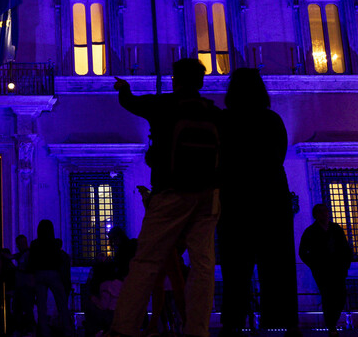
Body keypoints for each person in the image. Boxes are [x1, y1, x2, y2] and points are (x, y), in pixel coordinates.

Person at [110, 58, 222, 337]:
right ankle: (197, 330)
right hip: (208, 195)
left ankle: (123, 329)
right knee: (204, 266)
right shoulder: (213, 112)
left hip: (170, 191)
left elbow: (131, 103)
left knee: (146, 261)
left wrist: (123, 89)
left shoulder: (163, 105)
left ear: (175, 79)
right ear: (200, 81)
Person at [218, 68, 300, 335]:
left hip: (235, 200)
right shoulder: (272, 120)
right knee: (278, 264)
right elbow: (279, 156)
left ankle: (233, 322)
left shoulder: (224, 121)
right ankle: (286, 321)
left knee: (235, 267)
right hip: (271, 197)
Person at [298, 204, 352, 336]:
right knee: (328, 296)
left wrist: (345, 265)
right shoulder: (310, 231)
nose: (325, 214)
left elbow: (345, 248)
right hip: (322, 270)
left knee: (340, 296)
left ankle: (331, 323)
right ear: (316, 215)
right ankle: (332, 325)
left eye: (326, 211)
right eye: (321, 212)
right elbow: (303, 252)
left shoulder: (336, 229)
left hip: (338, 269)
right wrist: (315, 265)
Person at [28, 219, 73, 337]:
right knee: (62, 303)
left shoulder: (34, 244)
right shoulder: (56, 243)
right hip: (53, 273)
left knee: (41, 306)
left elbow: (31, 261)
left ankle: (44, 332)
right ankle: (67, 330)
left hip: (39, 274)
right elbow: (60, 259)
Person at [11, 233, 35, 336]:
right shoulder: (25, 254)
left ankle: (27, 329)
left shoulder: (27, 254)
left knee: (25, 308)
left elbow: (24, 268)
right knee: (22, 308)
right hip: (24, 285)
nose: (18, 246)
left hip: (25, 285)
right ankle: (26, 329)